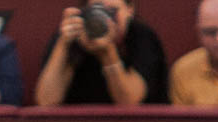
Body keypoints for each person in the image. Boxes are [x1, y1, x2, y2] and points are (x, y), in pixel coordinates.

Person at [35, 0, 168, 105]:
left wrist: (108, 53)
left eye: (112, 11)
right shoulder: (73, 36)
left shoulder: (142, 37)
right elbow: (46, 101)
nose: (105, 19)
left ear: (130, 9)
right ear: (85, 11)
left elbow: (129, 102)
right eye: (97, 9)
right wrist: (63, 44)